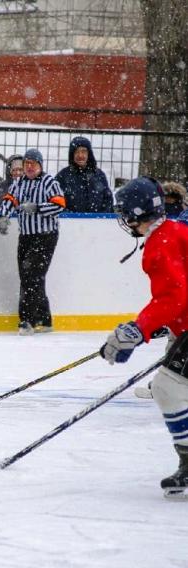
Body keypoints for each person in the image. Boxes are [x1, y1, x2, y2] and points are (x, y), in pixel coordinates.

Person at [99, 176, 188, 499]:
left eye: (126, 214)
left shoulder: (160, 243)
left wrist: (139, 329)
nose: (124, 220)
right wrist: (150, 328)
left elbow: (175, 297)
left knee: (168, 387)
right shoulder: (174, 231)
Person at [0, 148, 66, 335]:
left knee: (31, 275)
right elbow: (9, 199)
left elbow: (59, 205)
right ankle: (44, 319)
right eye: (26, 163)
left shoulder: (49, 182)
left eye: (32, 164)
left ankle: (26, 320)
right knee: (28, 275)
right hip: (26, 236)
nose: (28, 167)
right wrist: (3, 216)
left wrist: (37, 208)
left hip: (46, 236)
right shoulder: (19, 183)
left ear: (40, 165)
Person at [55, 136, 113, 213]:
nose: (80, 155)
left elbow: (108, 200)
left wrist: (100, 216)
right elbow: (56, 202)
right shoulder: (62, 176)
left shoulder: (99, 175)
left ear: (89, 154)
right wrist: (71, 217)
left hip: (98, 222)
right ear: (72, 155)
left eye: (84, 151)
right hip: (69, 222)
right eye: (77, 152)